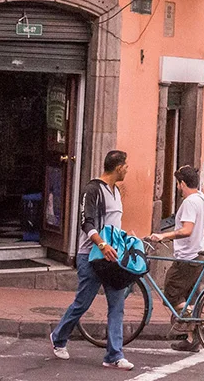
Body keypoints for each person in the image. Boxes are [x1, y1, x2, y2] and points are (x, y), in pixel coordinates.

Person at [50, 150, 135, 371]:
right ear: (117, 167)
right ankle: (58, 337)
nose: (127, 169)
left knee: (117, 304)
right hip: (91, 256)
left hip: (112, 258)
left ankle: (114, 355)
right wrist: (102, 244)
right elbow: (86, 223)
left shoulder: (116, 190)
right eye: (125, 165)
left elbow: (113, 225)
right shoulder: (92, 190)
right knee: (82, 303)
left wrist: (123, 239)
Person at [145, 165, 204, 353]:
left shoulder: (189, 202)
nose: (178, 188)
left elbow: (187, 229)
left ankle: (201, 324)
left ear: (182, 183)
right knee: (189, 298)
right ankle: (191, 339)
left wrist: (163, 236)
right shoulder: (201, 198)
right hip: (198, 252)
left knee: (171, 294)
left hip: (187, 257)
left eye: (178, 184)